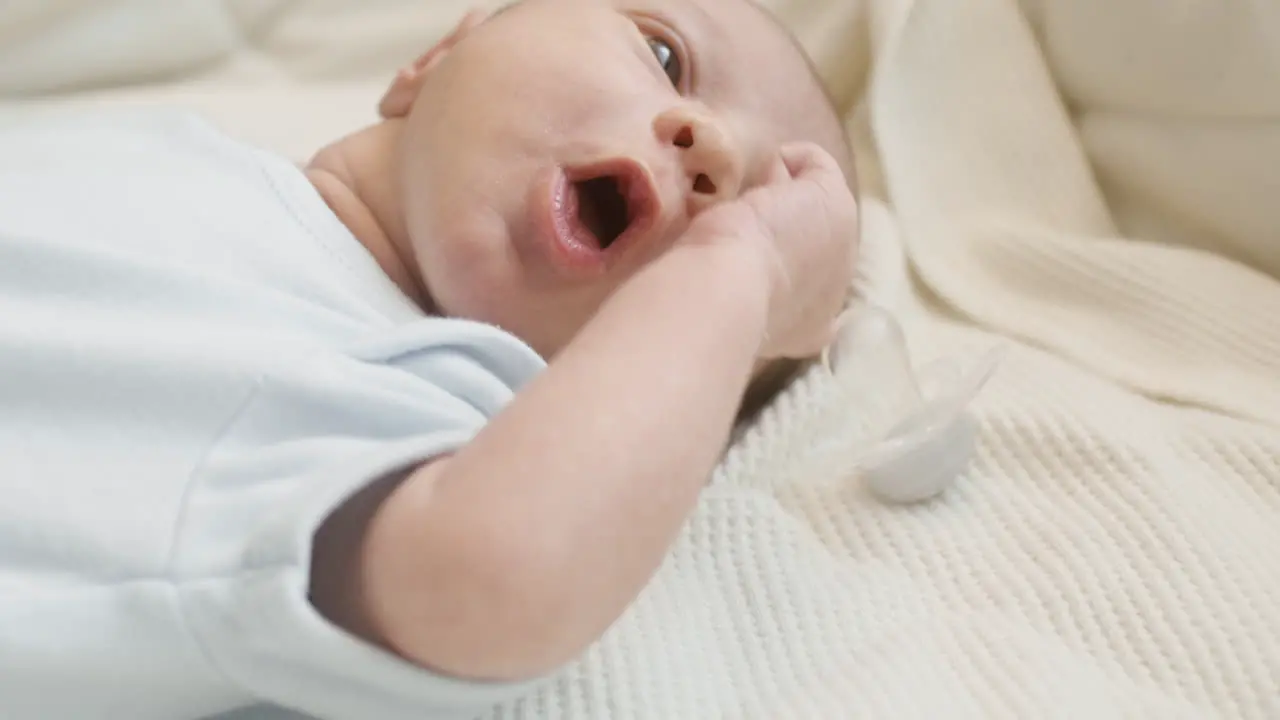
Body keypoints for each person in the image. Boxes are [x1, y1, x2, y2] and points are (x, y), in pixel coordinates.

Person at [0, 0, 858, 717]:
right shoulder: (172, 145)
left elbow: (495, 584)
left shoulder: (399, 404)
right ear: (437, 54)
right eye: (665, 57)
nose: (712, 147)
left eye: (744, 204)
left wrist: (740, 270)